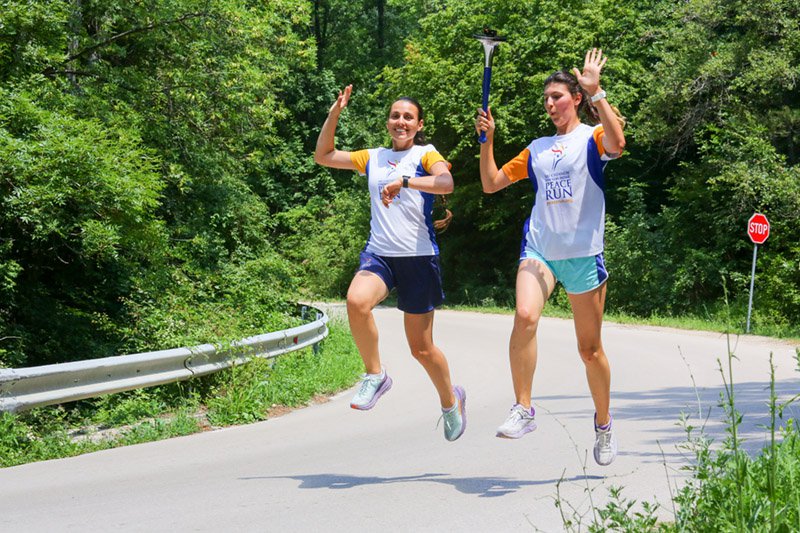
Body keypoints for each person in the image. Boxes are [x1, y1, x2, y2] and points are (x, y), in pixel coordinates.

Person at [475, 49, 626, 465]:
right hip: (540, 249)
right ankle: (523, 408)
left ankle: (603, 423)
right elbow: (491, 183)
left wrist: (598, 93)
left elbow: (618, 143)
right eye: (546, 98)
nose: (550, 103)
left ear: (575, 99)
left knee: (589, 350)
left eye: (557, 96)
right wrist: (487, 141)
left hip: (583, 255)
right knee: (525, 316)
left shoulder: (592, 137)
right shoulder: (537, 149)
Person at [314, 85, 466, 442]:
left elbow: (446, 183)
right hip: (380, 254)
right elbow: (324, 155)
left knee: (421, 349)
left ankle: (450, 401)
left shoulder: (426, 153)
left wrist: (406, 182)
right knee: (356, 301)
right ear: (388, 122)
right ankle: (375, 374)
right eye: (395, 116)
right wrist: (335, 112)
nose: (401, 121)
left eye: (408, 117)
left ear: (419, 124)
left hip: (418, 258)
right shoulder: (373, 157)